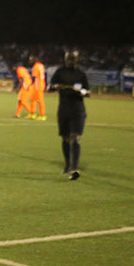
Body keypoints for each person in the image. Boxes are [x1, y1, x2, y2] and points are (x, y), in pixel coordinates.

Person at [48, 50, 90, 180]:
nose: (70, 61)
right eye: (69, 59)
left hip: (78, 110)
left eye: (73, 59)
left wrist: (81, 91)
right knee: (65, 138)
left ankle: (74, 168)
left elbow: (88, 91)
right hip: (64, 110)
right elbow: (49, 87)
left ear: (77, 60)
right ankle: (67, 165)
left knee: (75, 138)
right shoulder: (60, 72)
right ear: (65, 59)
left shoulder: (81, 75)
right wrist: (56, 87)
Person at [29, 54, 47, 121]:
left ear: (34, 60)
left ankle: (42, 115)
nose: (30, 61)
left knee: (40, 100)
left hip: (38, 85)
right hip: (39, 84)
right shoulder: (41, 65)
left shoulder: (36, 66)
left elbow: (34, 77)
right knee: (32, 99)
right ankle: (32, 113)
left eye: (31, 60)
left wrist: (30, 84)